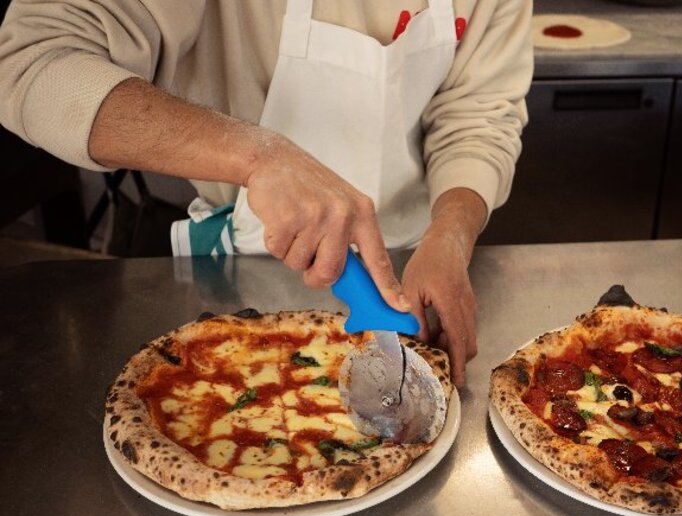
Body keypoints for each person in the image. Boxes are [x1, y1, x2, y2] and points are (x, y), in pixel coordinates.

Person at [0, 0, 533, 386]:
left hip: (414, 273)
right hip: (236, 277)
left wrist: (451, 235)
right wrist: (256, 157)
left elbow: (479, 115)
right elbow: (32, 60)